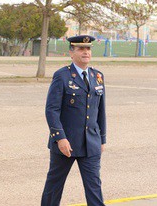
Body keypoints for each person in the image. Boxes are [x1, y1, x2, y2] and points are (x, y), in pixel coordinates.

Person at [41, 35, 107, 206]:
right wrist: (60, 138)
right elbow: (51, 110)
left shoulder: (97, 76)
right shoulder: (62, 76)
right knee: (54, 186)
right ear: (71, 53)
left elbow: (100, 111)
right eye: (81, 49)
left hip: (91, 143)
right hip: (66, 144)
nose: (86, 52)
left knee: (94, 187)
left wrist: (102, 139)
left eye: (88, 49)